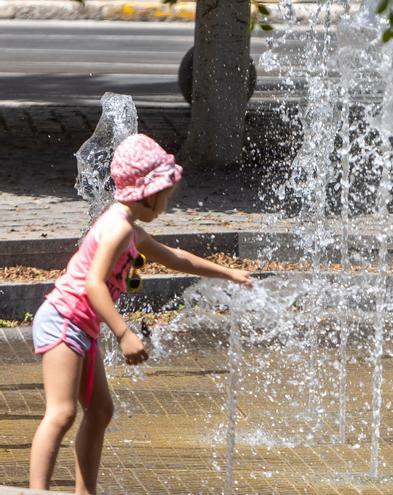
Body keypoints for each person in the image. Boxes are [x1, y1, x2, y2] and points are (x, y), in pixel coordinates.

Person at [29, 134, 253, 494]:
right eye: (165, 194)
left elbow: (175, 257)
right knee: (62, 412)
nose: (167, 202)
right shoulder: (117, 228)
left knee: (100, 412)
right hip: (63, 321)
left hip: (81, 327)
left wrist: (228, 273)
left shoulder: (131, 229)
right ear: (145, 191)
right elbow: (93, 285)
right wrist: (123, 333)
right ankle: (37, 490)